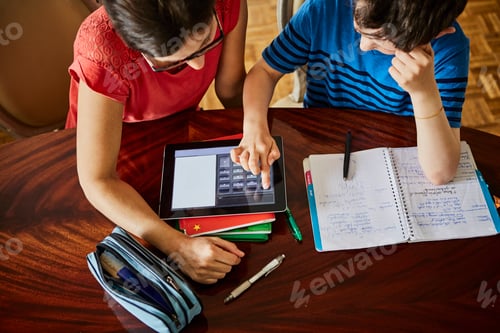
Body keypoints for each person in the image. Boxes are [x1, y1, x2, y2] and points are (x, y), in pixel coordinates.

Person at [66, 0, 247, 284]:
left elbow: (231, 89)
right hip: (112, 153)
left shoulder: (224, 3)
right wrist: (178, 247)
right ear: (133, 44)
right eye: (175, 60)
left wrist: (252, 131)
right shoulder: (102, 48)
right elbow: (98, 179)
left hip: (181, 131)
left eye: (206, 41)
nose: (199, 65)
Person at [231, 0, 470, 187]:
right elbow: (264, 71)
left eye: (380, 41)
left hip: (397, 160)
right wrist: (254, 128)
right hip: (320, 145)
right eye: (359, 28)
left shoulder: (449, 50)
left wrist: (424, 93)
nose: (364, 46)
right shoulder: (325, 8)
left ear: (435, 33)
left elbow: (440, 172)